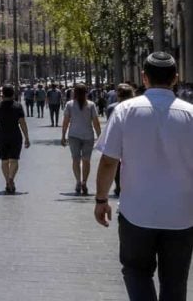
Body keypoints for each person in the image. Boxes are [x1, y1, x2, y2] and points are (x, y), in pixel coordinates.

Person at [94, 52, 193, 301]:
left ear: (144, 77)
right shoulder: (190, 114)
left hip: (136, 213)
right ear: (175, 78)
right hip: (181, 215)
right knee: (175, 280)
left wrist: (101, 199)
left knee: (136, 272)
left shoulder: (125, 110)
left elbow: (108, 161)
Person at [0, 84, 31, 194]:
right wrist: (26, 137)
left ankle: (7, 181)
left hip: (1, 135)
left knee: (4, 160)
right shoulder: (18, 106)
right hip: (15, 135)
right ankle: (11, 179)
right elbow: (22, 123)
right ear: (13, 94)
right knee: (14, 159)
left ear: (2, 94)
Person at [61, 83, 102, 196]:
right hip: (88, 136)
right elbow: (96, 122)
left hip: (73, 135)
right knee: (86, 160)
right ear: (86, 92)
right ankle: (84, 181)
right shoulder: (91, 105)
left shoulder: (69, 104)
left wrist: (63, 135)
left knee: (75, 160)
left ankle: (78, 181)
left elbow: (65, 122)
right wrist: (100, 137)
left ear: (74, 92)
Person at [104, 83, 135, 198]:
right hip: (133, 139)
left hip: (117, 138)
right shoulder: (136, 107)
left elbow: (109, 124)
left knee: (117, 163)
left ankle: (118, 186)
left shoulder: (112, 107)